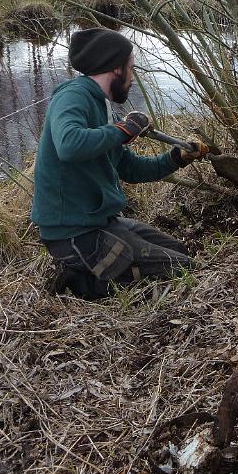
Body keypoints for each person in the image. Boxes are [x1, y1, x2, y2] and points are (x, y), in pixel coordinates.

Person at [31, 28, 209, 299]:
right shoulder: (73, 96)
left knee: (182, 253)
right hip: (73, 234)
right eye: (131, 68)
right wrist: (123, 130)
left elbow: (130, 168)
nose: (132, 77)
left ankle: (104, 271)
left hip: (99, 223)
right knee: (183, 269)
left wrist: (177, 157)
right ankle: (79, 283)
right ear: (116, 68)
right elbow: (68, 145)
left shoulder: (102, 106)